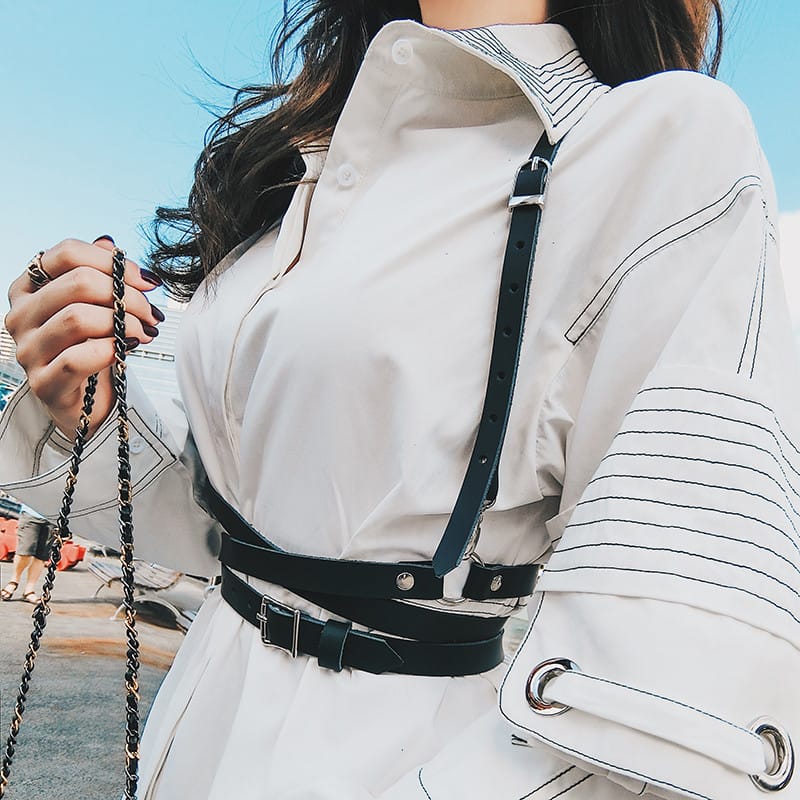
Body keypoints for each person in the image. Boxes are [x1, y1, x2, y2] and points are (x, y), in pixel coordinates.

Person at [0, 1, 797, 798]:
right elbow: (247, 531)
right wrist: (90, 411)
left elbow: (671, 711)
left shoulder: (657, 145)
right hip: (196, 722)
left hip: (389, 759)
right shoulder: (304, 149)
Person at [0, 509, 53, 603]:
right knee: (25, 550)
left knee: (41, 556)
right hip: (31, 513)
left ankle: (29, 591)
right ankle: (14, 581)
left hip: (53, 518)